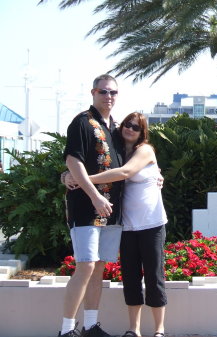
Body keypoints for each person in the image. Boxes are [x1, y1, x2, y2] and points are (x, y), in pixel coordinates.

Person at [65, 112, 168, 337]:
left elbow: (125, 173)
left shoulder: (145, 150)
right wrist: (68, 175)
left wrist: (82, 179)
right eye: (127, 125)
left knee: (153, 276)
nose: (130, 129)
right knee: (130, 278)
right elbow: (81, 159)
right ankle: (134, 330)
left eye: (136, 127)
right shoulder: (119, 151)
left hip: (151, 224)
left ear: (143, 133)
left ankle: (159, 330)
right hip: (126, 225)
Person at [59, 74, 124, 337]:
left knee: (99, 268)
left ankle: (90, 326)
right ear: (93, 92)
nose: (108, 97)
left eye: (113, 93)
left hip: (113, 211)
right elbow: (72, 161)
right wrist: (95, 197)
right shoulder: (81, 123)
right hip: (86, 208)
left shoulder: (116, 129)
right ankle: (66, 330)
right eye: (103, 91)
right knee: (85, 265)